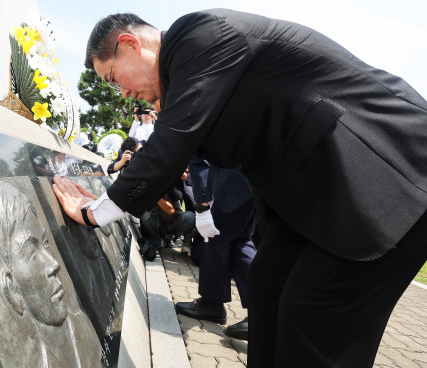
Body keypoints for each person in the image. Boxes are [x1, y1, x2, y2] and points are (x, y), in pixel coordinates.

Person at [52, 10, 427, 367]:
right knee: (267, 282)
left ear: (132, 44)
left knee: (313, 310)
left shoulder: (198, 34)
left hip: (385, 177)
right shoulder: (187, 75)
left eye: (115, 79)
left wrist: (94, 212)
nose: (123, 93)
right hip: (314, 198)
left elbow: (172, 144)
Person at [0, 180, 101, 367]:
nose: (54, 264)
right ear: (12, 287)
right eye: (31, 253)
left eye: (46, 243)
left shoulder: (84, 329)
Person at [175, 156, 256, 341]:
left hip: (231, 184)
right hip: (249, 180)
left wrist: (202, 204)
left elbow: (200, 157)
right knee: (240, 243)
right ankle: (216, 302)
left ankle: (214, 305)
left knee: (214, 237)